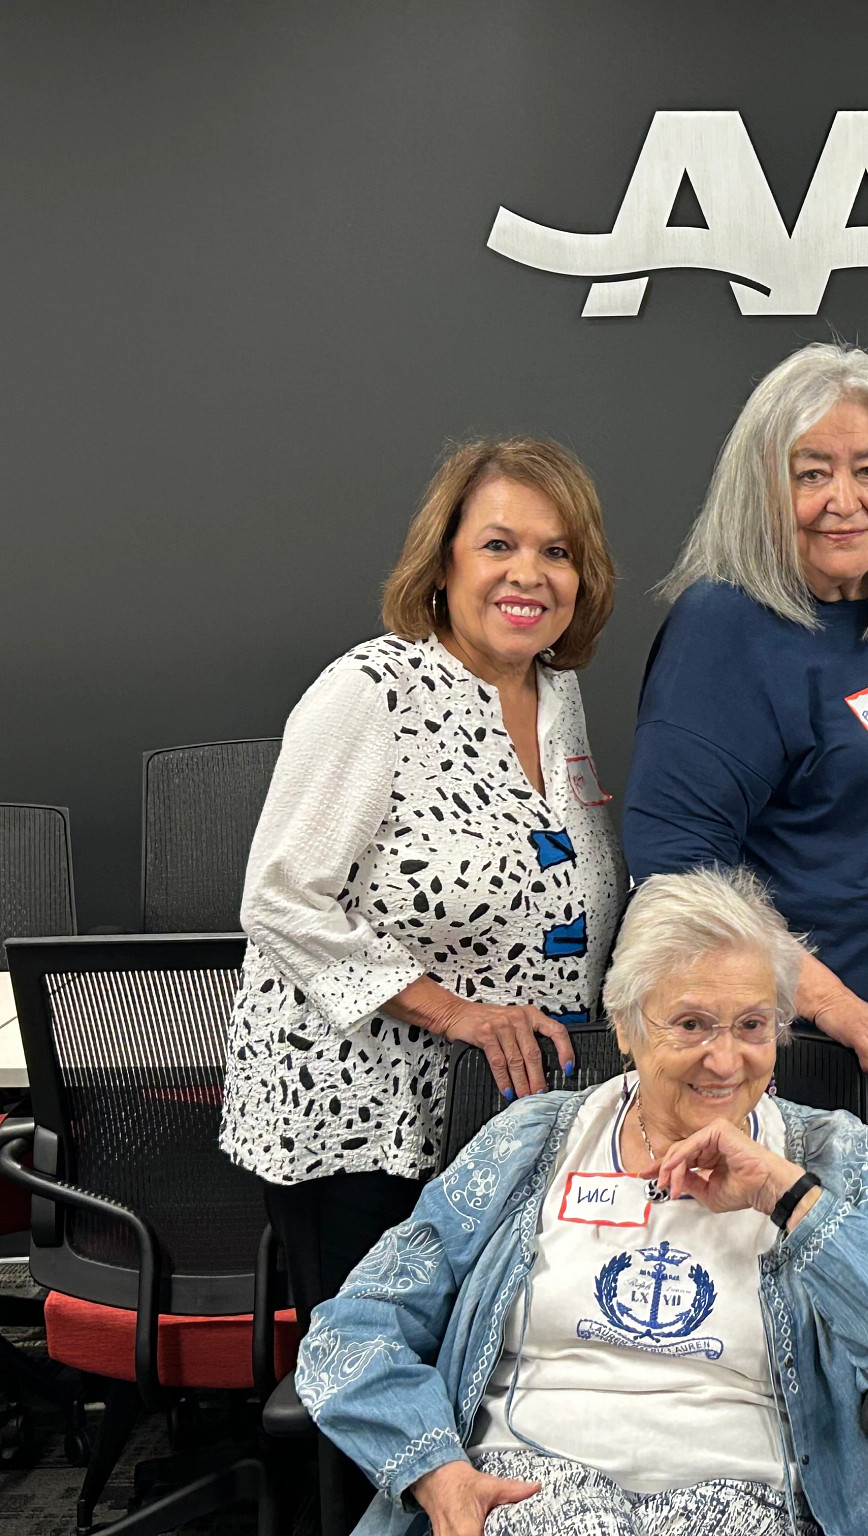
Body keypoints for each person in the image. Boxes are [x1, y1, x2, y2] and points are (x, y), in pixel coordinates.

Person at [295, 867, 868, 1536]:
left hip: (746, 1491)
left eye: (753, 1025)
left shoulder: (830, 1156)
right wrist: (436, 1472)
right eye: (691, 1024)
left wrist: (787, 1197)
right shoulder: (533, 1143)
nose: (726, 1060)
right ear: (625, 1026)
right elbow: (353, 1328)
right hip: (528, 1482)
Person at [221, 435, 623, 1328]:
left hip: (501, 1122)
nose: (530, 574)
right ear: (442, 564)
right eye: (499, 545)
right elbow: (280, 899)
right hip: (362, 1124)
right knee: (376, 1373)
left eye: (557, 552)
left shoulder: (557, 699)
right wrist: (457, 1012)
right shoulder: (371, 690)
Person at [624, 342, 868, 1251]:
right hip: (794, 1083)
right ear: (758, 488)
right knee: (792, 1365)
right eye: (810, 472)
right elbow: (675, 875)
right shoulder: (725, 627)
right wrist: (832, 1005)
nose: (843, 500)